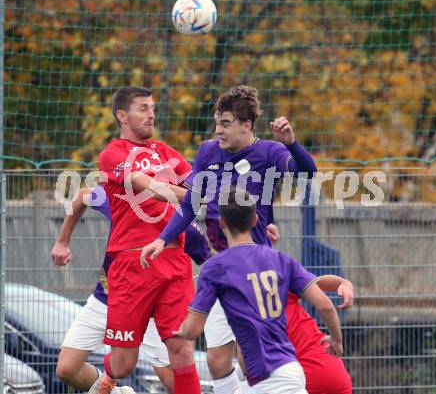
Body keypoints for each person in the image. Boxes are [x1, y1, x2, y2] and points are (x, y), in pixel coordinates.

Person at [141, 85, 318, 392]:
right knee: (216, 361)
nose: (218, 130)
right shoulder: (209, 151)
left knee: (251, 359)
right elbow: (192, 202)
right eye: (216, 122)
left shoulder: (270, 152)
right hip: (219, 268)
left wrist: (292, 144)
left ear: (246, 125)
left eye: (225, 123)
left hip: (254, 269)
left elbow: (307, 173)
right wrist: (163, 238)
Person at [175, 187, 344, 394]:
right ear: (256, 220)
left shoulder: (215, 268)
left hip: (266, 379)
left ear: (221, 223)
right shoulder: (282, 260)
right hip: (290, 371)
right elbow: (325, 305)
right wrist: (336, 339)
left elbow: (192, 330)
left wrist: (181, 330)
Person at [91, 86, 202, 394]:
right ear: (122, 115)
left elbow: (198, 182)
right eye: (143, 108)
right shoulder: (111, 154)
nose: (151, 113)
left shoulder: (165, 151)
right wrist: (194, 195)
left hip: (174, 261)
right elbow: (149, 186)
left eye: (153, 108)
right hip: (131, 263)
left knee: (181, 348)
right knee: (125, 364)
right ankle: (109, 377)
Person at [51, 185, 212, 394]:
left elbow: (211, 263)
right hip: (107, 299)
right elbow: (82, 195)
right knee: (66, 369)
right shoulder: (124, 201)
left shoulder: (184, 226)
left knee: (173, 381)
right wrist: (62, 242)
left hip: (155, 312)